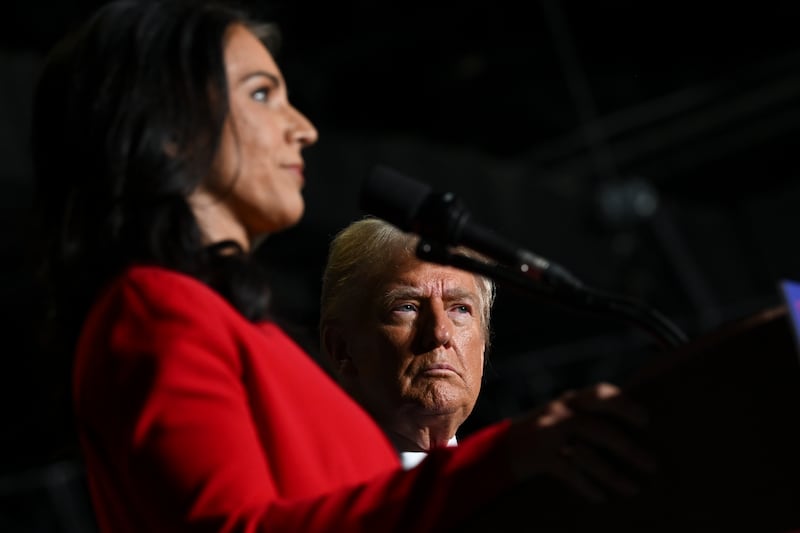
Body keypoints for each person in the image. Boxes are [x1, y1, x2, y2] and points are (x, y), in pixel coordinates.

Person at [30, 0, 657, 531]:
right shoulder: (154, 306)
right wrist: (501, 462)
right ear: (168, 129)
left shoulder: (239, 329)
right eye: (260, 94)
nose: (301, 128)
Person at [319, 216, 496, 469]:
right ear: (341, 348)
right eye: (407, 307)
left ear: (483, 348)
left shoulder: (511, 494)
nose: (439, 333)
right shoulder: (311, 486)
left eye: (459, 309)